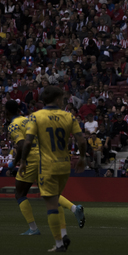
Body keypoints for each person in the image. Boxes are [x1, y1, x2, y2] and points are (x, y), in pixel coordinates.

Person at [18, 86, 87, 251]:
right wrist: (83, 158)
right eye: (63, 99)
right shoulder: (69, 116)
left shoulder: (36, 117)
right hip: (64, 166)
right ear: (57, 100)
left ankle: (59, 244)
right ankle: (63, 234)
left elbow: (27, 142)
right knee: (56, 199)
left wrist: (23, 161)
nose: (63, 101)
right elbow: (82, 141)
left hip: (47, 166)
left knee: (51, 205)